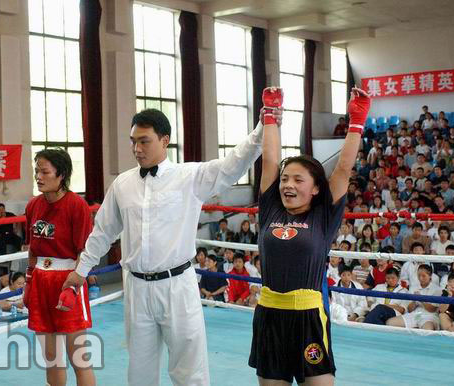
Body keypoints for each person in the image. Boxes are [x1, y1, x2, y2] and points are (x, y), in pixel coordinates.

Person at [62, 106, 271, 386]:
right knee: (140, 371)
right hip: (136, 287)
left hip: (177, 286)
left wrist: (263, 126)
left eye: (144, 141)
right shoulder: (122, 184)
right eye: (133, 141)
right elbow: (102, 231)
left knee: (189, 370)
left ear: (164, 140)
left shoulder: (189, 177)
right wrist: (82, 269)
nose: (137, 148)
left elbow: (232, 165)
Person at [248, 87, 370, 385]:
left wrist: (357, 119)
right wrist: (271, 114)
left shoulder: (322, 215)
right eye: (286, 179)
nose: (288, 184)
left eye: (298, 180)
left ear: (315, 188)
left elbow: (342, 168)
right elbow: (270, 162)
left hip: (308, 317)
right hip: (269, 316)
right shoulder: (271, 209)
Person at [24, 148, 95, 386]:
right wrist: (28, 281)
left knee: (79, 357)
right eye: (37, 171)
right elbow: (32, 249)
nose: (39, 177)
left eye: (44, 171)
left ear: (61, 174)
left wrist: (74, 287)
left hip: (68, 279)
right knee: (51, 357)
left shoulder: (77, 206)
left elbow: (83, 251)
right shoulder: (33, 206)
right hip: (41, 282)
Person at [387, 264, 442, 330]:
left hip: (429, 316)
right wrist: (415, 301)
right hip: (415, 314)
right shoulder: (413, 287)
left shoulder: (437, 289)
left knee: (428, 330)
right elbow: (409, 309)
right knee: (390, 322)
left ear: (430, 276)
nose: (421, 278)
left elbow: (432, 309)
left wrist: (421, 299)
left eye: (423, 276)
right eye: (419, 275)